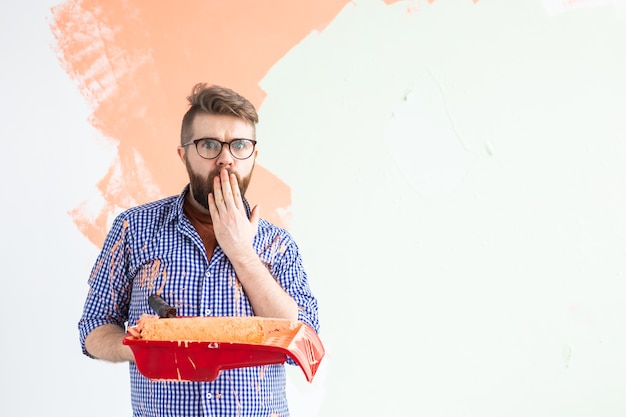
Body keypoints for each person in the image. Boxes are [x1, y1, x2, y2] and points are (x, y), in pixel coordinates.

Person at [78, 83, 320, 416]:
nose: (225, 159)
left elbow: (304, 337)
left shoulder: (278, 245)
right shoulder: (133, 229)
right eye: (208, 144)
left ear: (253, 156)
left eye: (239, 146)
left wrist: (242, 254)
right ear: (184, 154)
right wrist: (139, 348)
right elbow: (93, 327)